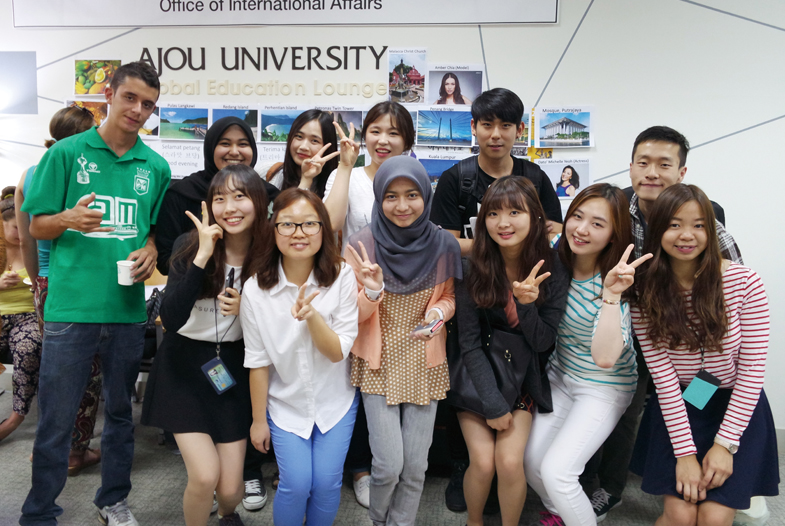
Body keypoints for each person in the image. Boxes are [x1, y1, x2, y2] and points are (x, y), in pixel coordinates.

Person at [20, 61, 170, 526]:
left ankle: (113, 501)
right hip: (71, 309)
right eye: (130, 98)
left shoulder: (156, 167)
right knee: (57, 418)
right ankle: (39, 512)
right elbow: (36, 225)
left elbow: (152, 231)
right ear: (109, 94)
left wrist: (150, 248)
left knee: (121, 415)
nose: (138, 110)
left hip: (126, 310)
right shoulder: (66, 154)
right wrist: (67, 219)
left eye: (148, 104)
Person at [583, 126, 744, 522]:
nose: (652, 172)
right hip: (630, 330)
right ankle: (611, 488)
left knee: (696, 403)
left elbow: (734, 284)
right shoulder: (615, 208)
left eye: (664, 164)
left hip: (692, 346)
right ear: (631, 166)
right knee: (625, 410)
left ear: (681, 172)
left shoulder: (701, 214)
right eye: (643, 162)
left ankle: (704, 476)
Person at [430, 87, 563, 512]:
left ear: (519, 130)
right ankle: (463, 469)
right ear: (473, 127)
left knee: (508, 456)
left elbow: (555, 230)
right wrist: (495, 248)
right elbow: (444, 242)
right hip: (474, 291)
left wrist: (515, 253)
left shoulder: (535, 178)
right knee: (470, 373)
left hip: (518, 334)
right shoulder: (456, 178)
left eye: (506, 125)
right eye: (487, 124)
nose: (496, 134)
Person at [631, 184, 778, 526]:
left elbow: (751, 372)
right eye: (674, 224)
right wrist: (685, 454)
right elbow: (663, 379)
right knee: (681, 515)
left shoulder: (745, 283)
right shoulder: (643, 290)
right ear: (658, 230)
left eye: (698, 225)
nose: (687, 235)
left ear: (712, 231)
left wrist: (724, 446)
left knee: (712, 517)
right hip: (684, 402)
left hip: (736, 404)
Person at [154, 116, 279, 511]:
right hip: (183, 366)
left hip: (233, 369)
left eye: (240, 197)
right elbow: (171, 319)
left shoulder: (269, 256)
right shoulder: (190, 244)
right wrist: (202, 257)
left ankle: (227, 516)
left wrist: (249, 308)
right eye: (220, 199)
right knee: (204, 476)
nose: (230, 208)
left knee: (229, 491)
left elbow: (282, 323)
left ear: (259, 203)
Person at [524, 184, 651, 526]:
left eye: (597, 224)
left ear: (613, 236)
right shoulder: (555, 259)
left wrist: (611, 295)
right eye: (577, 216)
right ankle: (564, 516)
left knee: (558, 472)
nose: (581, 229)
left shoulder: (617, 279)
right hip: (560, 376)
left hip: (604, 386)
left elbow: (606, 358)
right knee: (532, 463)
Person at [344, 156, 462, 526]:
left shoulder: (443, 244)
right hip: (378, 364)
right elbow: (350, 316)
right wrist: (372, 291)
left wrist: (438, 313)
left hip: (424, 362)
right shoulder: (360, 245)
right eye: (391, 196)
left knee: (415, 467)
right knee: (387, 466)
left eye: (412, 195)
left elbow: (449, 298)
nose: (402, 205)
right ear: (379, 198)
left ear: (426, 195)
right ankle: (379, 520)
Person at [453, 176, 570, 526]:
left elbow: (544, 342)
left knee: (508, 461)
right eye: (493, 214)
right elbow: (469, 343)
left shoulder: (553, 267)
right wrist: (492, 402)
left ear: (535, 216)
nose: (503, 223)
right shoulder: (472, 266)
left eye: (514, 212)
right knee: (483, 462)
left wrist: (526, 305)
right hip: (477, 376)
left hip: (522, 377)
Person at [242, 188, 359, 526]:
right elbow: (257, 361)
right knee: (295, 483)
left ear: (323, 229)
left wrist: (312, 317)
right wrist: (258, 421)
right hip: (285, 404)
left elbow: (337, 352)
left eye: (309, 223)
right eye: (287, 224)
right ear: (273, 228)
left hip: (335, 403)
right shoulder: (255, 290)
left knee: (326, 484)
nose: (299, 233)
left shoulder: (341, 275)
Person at [12, 106, 103, 473]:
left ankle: (47, 448)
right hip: (83, 282)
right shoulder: (89, 174)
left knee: (54, 369)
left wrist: (39, 283)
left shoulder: (30, 174)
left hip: (47, 283)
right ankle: (75, 451)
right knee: (88, 370)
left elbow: (26, 240)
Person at [155, 115, 280, 275]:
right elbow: (165, 261)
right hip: (197, 286)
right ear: (211, 147)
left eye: (243, 144)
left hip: (259, 284)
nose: (234, 152)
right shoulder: (181, 194)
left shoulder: (269, 195)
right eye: (225, 144)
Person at [324, 100, 413, 248]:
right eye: (375, 132)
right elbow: (330, 225)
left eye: (393, 133)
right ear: (365, 136)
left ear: (407, 141)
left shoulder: (416, 183)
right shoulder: (347, 177)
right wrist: (345, 167)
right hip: (355, 263)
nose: (382, 140)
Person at [0, 189, 42, 443]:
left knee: (28, 347)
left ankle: (15, 418)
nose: (21, 233)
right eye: (16, 228)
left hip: (28, 315)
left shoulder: (34, 246)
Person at [260, 109, 341, 198]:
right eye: (299, 136)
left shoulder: (336, 185)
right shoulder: (267, 172)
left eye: (314, 140)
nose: (303, 146)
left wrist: (307, 179)